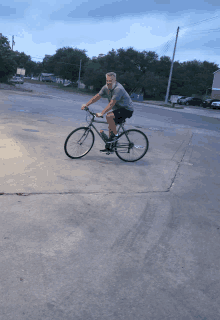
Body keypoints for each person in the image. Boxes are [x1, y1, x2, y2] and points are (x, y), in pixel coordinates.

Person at [81, 72, 134, 152]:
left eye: (111, 81)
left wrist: (102, 113)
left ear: (115, 80)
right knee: (110, 125)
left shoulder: (118, 89)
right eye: (107, 80)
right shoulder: (105, 87)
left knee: (109, 116)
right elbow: (97, 96)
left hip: (127, 109)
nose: (108, 82)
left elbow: (112, 103)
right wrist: (87, 105)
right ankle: (109, 147)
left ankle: (115, 136)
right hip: (118, 109)